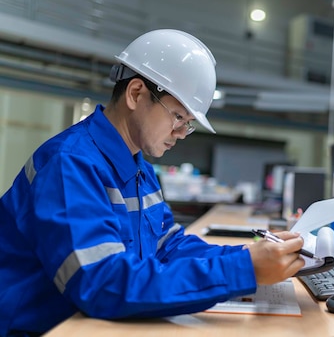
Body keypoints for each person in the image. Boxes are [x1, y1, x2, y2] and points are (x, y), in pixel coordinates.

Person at [0, 29, 305, 336]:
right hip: (38, 328)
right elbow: (100, 284)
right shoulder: (70, 164)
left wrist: (250, 257)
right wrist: (244, 270)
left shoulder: (141, 171)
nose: (180, 134)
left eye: (188, 125)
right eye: (177, 117)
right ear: (135, 93)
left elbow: (168, 247)